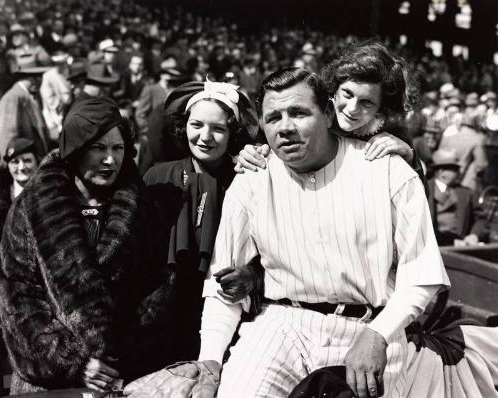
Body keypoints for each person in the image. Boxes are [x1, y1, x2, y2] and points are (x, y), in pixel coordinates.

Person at [125, 68, 449, 398]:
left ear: (327, 112)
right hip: (282, 324)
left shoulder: (387, 168)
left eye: (298, 113)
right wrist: (210, 359)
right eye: (273, 117)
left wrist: (379, 334)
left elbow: (422, 276)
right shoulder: (252, 176)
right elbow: (221, 285)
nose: (285, 127)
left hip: (371, 328)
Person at [0, 97, 174, 394]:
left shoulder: (142, 209)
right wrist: (73, 363)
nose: (110, 160)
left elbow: (158, 287)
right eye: (98, 148)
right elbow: (17, 296)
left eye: (118, 148)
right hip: (48, 382)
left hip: (122, 377)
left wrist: (119, 355)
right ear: (75, 150)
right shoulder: (31, 207)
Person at [143, 79, 262, 365]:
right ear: (183, 127)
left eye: (218, 128)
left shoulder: (247, 179)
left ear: (232, 133)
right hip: (164, 322)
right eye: (196, 125)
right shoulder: (157, 177)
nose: (205, 137)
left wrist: (252, 275)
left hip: (226, 312)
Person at [236, 42, 426, 193]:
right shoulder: (313, 112)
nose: (352, 109)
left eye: (366, 102)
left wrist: (409, 157)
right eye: (348, 94)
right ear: (334, 88)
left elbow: (418, 198)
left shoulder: (393, 130)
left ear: (382, 108)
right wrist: (253, 152)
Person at [0, 58, 51, 161]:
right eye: (32, 77)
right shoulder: (13, 98)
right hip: (22, 164)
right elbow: (8, 137)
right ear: (21, 78)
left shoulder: (31, 95)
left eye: (40, 76)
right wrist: (11, 163)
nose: (38, 82)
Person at [427, 149, 474, 246]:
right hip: (432, 246)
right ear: (441, 171)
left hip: (460, 246)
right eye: (455, 169)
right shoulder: (423, 189)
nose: (459, 172)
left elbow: (480, 218)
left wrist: (474, 235)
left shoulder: (465, 193)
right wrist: (451, 241)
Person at [0, 138, 39, 243]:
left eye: (27, 160)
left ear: (37, 162)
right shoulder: (2, 200)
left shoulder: (49, 192)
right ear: (8, 166)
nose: (21, 167)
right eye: (15, 162)